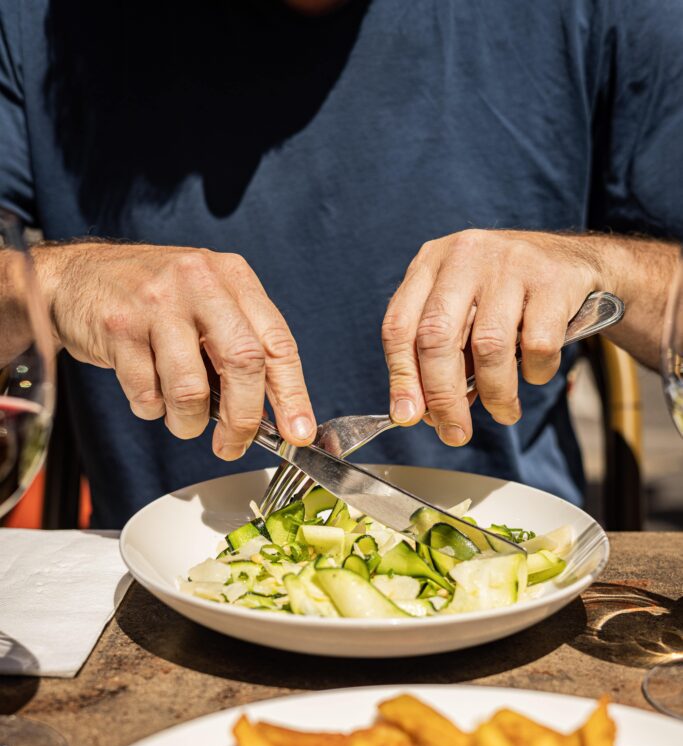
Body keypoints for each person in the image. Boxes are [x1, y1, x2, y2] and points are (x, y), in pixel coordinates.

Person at [0, 0, 681, 528]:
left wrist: (605, 268)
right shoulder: (41, 18)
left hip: (502, 587)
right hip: (161, 598)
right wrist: (50, 282)